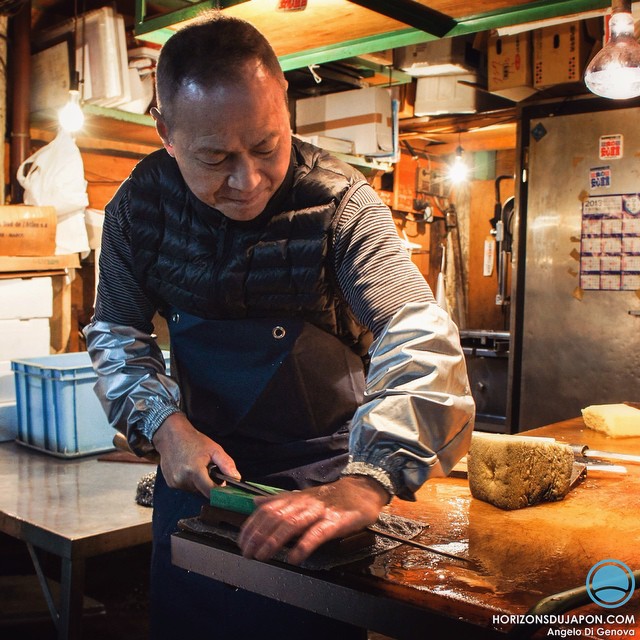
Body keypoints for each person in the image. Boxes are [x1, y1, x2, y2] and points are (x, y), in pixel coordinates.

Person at [83, 11, 475, 640]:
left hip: (322, 492)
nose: (249, 180)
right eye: (215, 158)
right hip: (197, 480)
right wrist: (165, 426)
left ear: (285, 103)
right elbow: (118, 335)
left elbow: (417, 332)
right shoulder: (138, 207)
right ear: (166, 133)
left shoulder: (340, 205)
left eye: (267, 146)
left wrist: (367, 481)